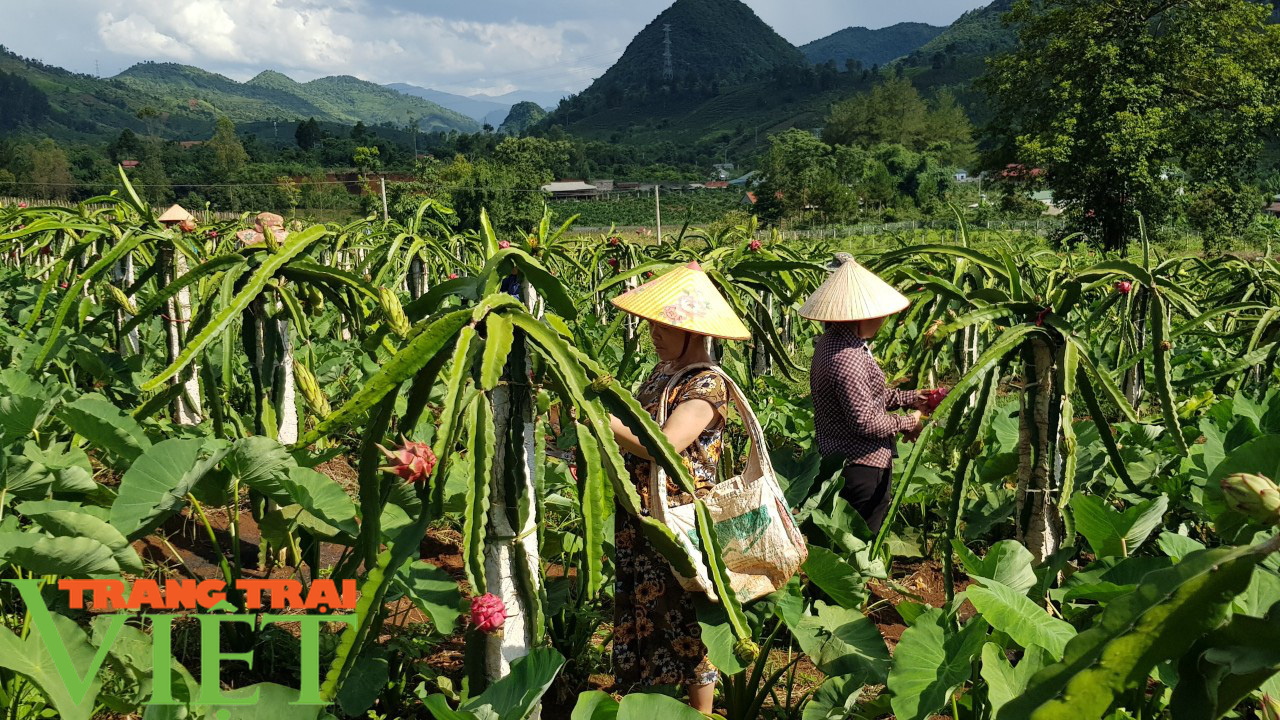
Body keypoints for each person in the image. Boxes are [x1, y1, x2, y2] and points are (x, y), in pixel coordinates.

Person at [605, 261, 751, 714]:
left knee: (686, 622)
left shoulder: (708, 385)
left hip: (680, 523)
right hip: (643, 519)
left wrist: (604, 423)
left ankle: (702, 714)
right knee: (645, 617)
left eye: (664, 325)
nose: (652, 332)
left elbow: (664, 446)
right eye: (651, 323)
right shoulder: (660, 374)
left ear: (694, 332)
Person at [802, 253, 935, 534]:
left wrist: (910, 397)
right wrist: (909, 422)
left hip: (842, 458)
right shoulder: (848, 357)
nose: (883, 319)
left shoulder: (832, 342)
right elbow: (866, 421)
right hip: (862, 466)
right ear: (862, 314)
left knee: (844, 543)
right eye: (880, 313)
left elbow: (867, 396)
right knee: (859, 544)